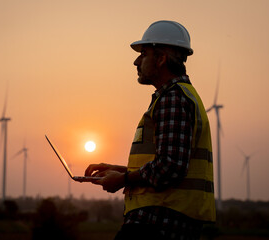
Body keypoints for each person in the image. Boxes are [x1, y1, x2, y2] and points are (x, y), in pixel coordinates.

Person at [85, 20, 216, 240]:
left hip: (158, 223)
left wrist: (123, 179)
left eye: (143, 53)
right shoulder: (179, 97)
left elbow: (170, 167)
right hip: (167, 220)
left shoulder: (173, 99)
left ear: (161, 58)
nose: (136, 61)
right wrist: (118, 170)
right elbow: (168, 160)